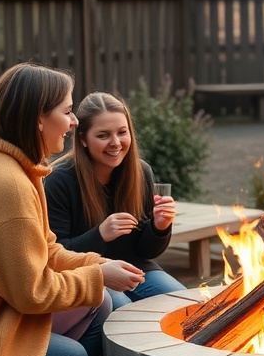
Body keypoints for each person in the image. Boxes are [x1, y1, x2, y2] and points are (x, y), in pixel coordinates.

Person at [0, 63, 145, 356]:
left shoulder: (16, 167)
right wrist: (98, 278)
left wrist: (97, 264)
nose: (73, 121)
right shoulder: (9, 186)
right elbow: (31, 292)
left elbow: (46, 250)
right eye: (67, 110)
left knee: (103, 303)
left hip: (3, 307)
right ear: (38, 118)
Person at [44, 91, 185, 314]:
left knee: (185, 305)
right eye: (103, 135)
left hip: (136, 269)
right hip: (90, 275)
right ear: (82, 139)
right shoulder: (59, 181)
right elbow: (55, 254)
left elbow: (145, 251)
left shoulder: (140, 172)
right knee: (125, 315)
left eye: (122, 132)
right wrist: (100, 234)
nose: (116, 143)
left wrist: (159, 227)